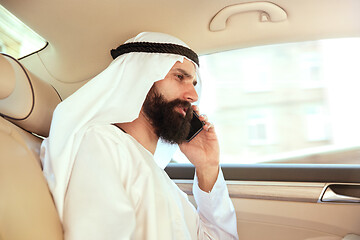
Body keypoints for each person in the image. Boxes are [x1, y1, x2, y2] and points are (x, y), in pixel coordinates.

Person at [41, 32, 239, 240]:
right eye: (180, 77)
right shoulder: (101, 143)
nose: (193, 96)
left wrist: (207, 167)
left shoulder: (161, 178)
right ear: (140, 78)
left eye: (194, 84)